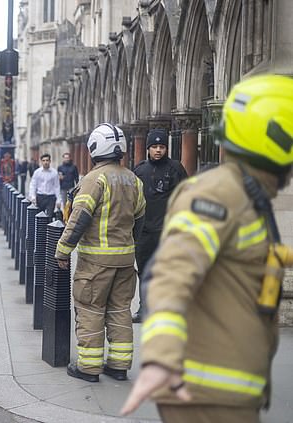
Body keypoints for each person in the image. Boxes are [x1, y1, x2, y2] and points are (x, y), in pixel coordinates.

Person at [121, 74, 293, 422]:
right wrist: (160, 358)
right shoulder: (219, 193)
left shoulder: (248, 197)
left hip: (226, 393)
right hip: (205, 395)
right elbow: (170, 272)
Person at [55, 123, 145, 383]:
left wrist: (62, 251)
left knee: (91, 310)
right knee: (120, 311)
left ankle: (89, 368)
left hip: (96, 262)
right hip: (125, 261)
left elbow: (79, 218)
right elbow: (139, 219)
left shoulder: (95, 179)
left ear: (95, 148)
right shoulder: (133, 180)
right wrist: (129, 247)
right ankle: (119, 366)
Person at [131, 129, 187, 322]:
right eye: (154, 147)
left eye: (161, 147)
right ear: (148, 149)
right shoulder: (139, 171)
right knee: (144, 270)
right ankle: (144, 308)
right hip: (143, 232)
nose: (158, 150)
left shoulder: (176, 169)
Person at [28, 153, 61, 217]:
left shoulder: (54, 173)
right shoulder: (37, 172)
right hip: (40, 197)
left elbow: (57, 186)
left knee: (50, 216)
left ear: (50, 161)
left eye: (47, 160)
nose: (45, 162)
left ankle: (48, 226)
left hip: (51, 197)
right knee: (40, 216)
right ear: (41, 162)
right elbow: (33, 185)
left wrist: (59, 200)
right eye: (43, 160)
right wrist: (33, 196)